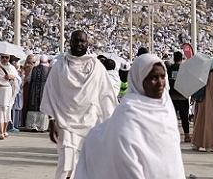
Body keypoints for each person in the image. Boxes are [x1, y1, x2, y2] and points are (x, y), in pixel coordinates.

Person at [73, 54, 185, 179]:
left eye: (163, 77)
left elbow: (174, 161)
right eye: (153, 78)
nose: (160, 83)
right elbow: (126, 163)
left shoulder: (166, 108)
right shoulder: (128, 113)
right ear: (139, 79)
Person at [41, 30, 117, 179]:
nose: (79, 44)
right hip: (65, 123)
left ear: (87, 43)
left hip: (90, 124)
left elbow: (106, 96)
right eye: (76, 41)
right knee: (65, 164)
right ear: (70, 42)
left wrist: (110, 125)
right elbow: (51, 93)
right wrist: (52, 121)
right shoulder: (60, 66)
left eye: (82, 41)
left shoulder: (96, 67)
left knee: (87, 165)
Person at [191, 58, 213, 152]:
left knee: (199, 122)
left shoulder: (201, 76)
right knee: (210, 123)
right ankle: (209, 144)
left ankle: (196, 143)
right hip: (211, 106)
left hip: (200, 103)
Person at [166, 51, 191, 142]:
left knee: (172, 117)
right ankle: (187, 136)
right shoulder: (184, 69)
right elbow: (189, 82)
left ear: (174, 58)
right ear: (181, 58)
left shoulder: (170, 69)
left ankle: (169, 135)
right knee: (184, 118)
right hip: (183, 96)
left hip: (172, 96)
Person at [0, 51, 19, 139]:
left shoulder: (12, 68)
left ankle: (4, 130)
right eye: (3, 57)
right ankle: (1, 132)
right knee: (1, 111)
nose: (4, 59)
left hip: (8, 90)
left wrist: (11, 77)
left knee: (7, 111)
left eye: (6, 57)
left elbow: (17, 78)